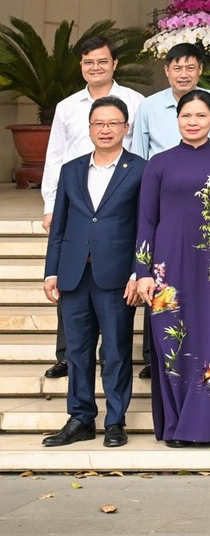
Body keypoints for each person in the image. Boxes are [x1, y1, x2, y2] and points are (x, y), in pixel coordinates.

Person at [133, 89, 210, 446]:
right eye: (186, 116)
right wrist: (143, 272)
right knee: (171, 344)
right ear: (176, 119)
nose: (193, 122)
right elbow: (146, 221)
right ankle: (177, 425)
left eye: (200, 116)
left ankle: (208, 425)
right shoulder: (159, 163)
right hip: (166, 270)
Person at [40, 95, 145, 448]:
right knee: (77, 352)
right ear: (88, 128)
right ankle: (81, 418)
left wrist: (137, 272)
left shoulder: (142, 169)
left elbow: (146, 226)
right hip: (73, 274)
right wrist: (50, 271)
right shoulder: (71, 169)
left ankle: (116, 421)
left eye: (113, 123)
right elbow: (60, 225)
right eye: (98, 123)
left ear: (125, 128)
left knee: (116, 351)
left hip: (116, 276)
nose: (105, 129)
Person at [40, 34, 143, 382]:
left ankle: (113, 407)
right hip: (74, 202)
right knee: (71, 285)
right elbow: (55, 157)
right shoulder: (68, 106)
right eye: (88, 62)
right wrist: (50, 204)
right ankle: (66, 356)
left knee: (114, 337)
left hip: (118, 200)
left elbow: (141, 149)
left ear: (114, 64)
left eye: (102, 61)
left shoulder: (136, 102)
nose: (95, 67)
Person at [132, 43, 202, 160]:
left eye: (190, 68)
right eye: (177, 69)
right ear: (167, 70)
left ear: (200, 69)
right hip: (160, 176)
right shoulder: (148, 106)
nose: (184, 75)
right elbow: (139, 153)